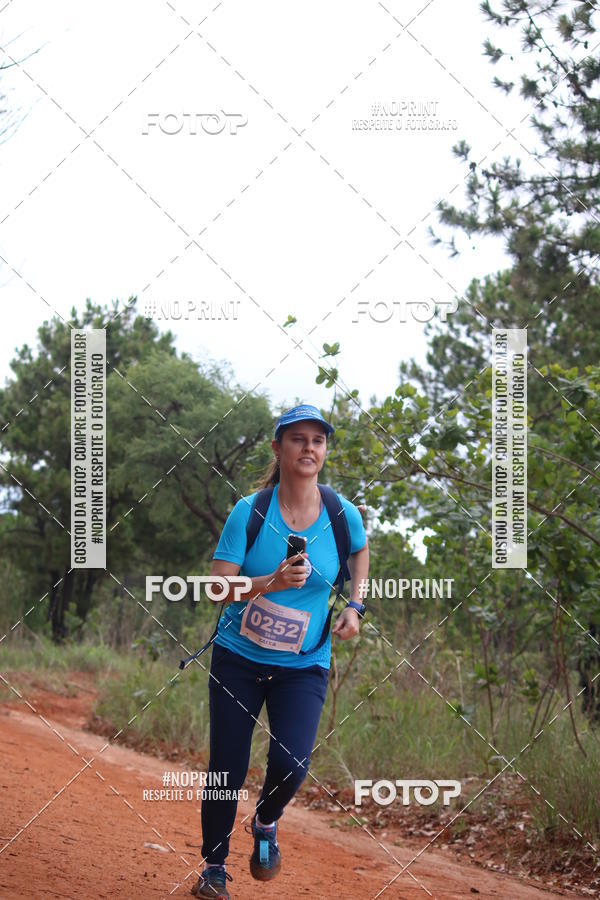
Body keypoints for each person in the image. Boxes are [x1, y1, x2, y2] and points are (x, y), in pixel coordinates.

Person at [191, 404, 369, 900]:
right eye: (298, 439)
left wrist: (355, 606)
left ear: (325, 450)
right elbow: (216, 589)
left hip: (304, 663)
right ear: (278, 448)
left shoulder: (341, 514)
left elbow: (359, 550)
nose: (309, 448)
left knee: (293, 762)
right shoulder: (249, 512)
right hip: (239, 659)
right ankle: (214, 870)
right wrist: (268, 583)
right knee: (227, 765)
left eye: (318, 440)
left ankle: (266, 821)